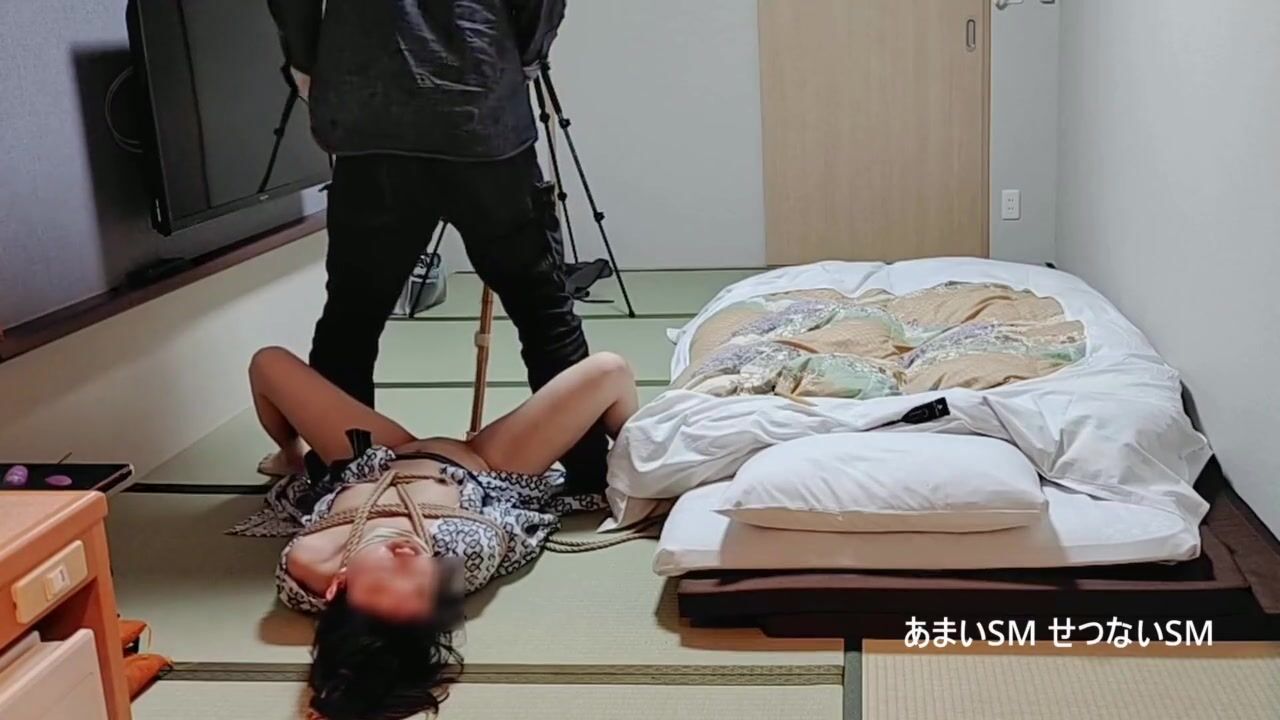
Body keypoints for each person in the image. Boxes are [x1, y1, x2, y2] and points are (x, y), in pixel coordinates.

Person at [265, 0, 610, 494]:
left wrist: (309, 65)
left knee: (352, 317)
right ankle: (589, 471)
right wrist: (519, 56)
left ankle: (342, 477)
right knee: (542, 309)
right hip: (482, 111)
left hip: (370, 111)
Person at [241, 346, 637, 720]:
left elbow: (351, 640)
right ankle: (646, 464)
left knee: (268, 363)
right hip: (484, 464)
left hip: (374, 458)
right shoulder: (465, 554)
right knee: (609, 370)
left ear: (335, 587)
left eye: (385, 580)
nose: (408, 556)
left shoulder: (307, 563)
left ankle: (289, 455)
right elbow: (514, 520)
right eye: (420, 585)